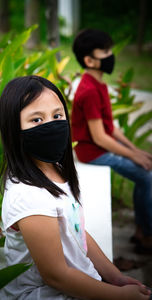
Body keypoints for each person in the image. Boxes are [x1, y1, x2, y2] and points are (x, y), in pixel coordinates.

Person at [0, 75, 151, 300]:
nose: (51, 125)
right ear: (13, 129)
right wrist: (119, 295)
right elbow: (56, 276)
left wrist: (115, 277)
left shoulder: (56, 169)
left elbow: (77, 231)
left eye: (57, 115)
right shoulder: (28, 195)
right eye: (37, 120)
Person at [71, 28, 152, 253]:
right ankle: (146, 234)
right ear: (89, 60)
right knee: (146, 176)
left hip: (100, 147)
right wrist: (134, 155)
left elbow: (110, 128)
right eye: (105, 52)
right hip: (93, 153)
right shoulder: (88, 91)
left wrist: (136, 150)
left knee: (144, 170)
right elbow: (99, 137)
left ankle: (141, 230)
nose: (110, 55)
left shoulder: (98, 85)